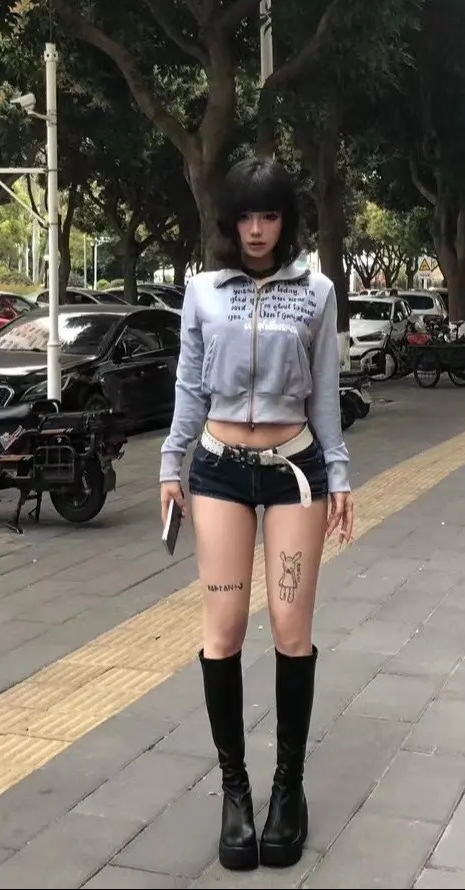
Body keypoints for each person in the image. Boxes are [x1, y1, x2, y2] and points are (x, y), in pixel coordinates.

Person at [159, 157, 355, 872]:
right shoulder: (203, 292)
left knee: (291, 627)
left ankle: (288, 789)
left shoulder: (317, 293)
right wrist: (171, 463)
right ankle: (235, 792)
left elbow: (325, 391)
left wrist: (339, 472)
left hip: (295, 470)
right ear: (229, 222)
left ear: (286, 221)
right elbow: (189, 385)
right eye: (245, 215)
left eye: (269, 215)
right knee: (224, 630)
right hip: (218, 471)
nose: (257, 229)